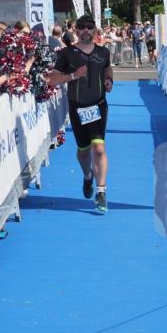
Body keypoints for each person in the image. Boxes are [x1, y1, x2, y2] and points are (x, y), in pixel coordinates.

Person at [49, 16, 113, 213]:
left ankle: (101, 192)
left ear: (94, 30)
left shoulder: (103, 52)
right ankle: (87, 176)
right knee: (84, 151)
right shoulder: (67, 53)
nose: (86, 30)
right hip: (78, 108)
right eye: (82, 28)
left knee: (99, 148)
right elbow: (52, 79)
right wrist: (74, 76)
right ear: (76, 31)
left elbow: (108, 69)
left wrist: (109, 80)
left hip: (98, 106)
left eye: (89, 27)